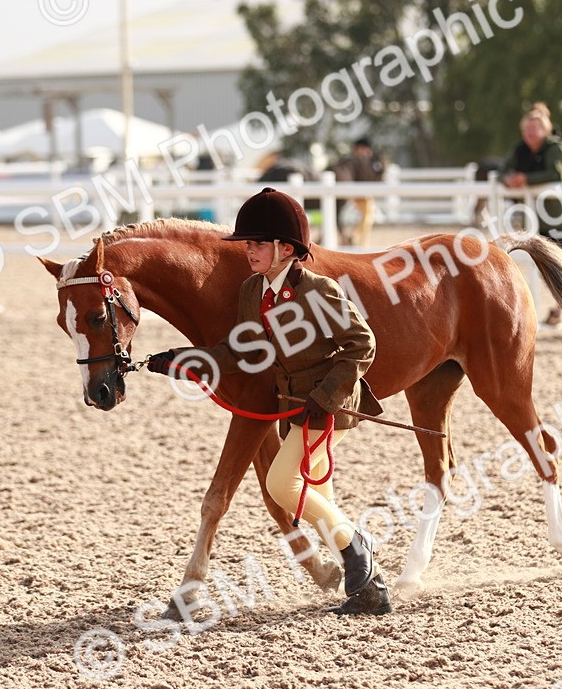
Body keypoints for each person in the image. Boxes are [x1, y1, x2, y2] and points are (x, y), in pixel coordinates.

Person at [146, 187, 391, 616]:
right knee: (320, 501)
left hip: (322, 404)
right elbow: (243, 350)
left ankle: (357, 542)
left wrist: (325, 397)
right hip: (292, 405)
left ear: (284, 248)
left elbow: (361, 343)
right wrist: (187, 360)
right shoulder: (252, 293)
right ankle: (371, 590)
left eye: (256, 244)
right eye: (248, 243)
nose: (248, 251)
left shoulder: (318, 290)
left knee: (282, 485)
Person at [501, 103, 562, 326]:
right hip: (535, 218)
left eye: (534, 130)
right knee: (542, 266)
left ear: (545, 130)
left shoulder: (555, 148)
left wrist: (525, 180)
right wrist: (508, 179)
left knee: (559, 266)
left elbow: (558, 173)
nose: (529, 135)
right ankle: (552, 311)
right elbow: (501, 171)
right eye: (526, 131)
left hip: (559, 216)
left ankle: (561, 311)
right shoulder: (519, 150)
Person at [331, 137, 383, 247]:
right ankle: (357, 240)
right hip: (356, 192)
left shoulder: (372, 161)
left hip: (363, 193)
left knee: (367, 217)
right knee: (367, 216)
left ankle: (356, 239)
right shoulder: (352, 160)